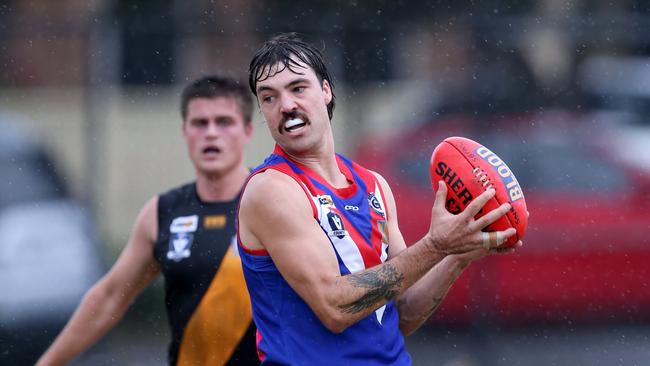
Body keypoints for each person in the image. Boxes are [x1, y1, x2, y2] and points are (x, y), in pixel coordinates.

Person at [237, 33, 523, 365]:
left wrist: (458, 255)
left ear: (326, 91)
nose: (286, 105)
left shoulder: (374, 186)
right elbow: (336, 307)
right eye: (268, 97)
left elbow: (401, 313)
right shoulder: (272, 190)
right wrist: (436, 246)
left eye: (298, 88)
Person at [37, 75, 259, 366]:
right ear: (184, 131)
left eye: (224, 122)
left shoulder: (271, 201)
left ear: (247, 131)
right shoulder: (163, 213)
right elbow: (109, 297)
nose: (211, 133)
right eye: (200, 123)